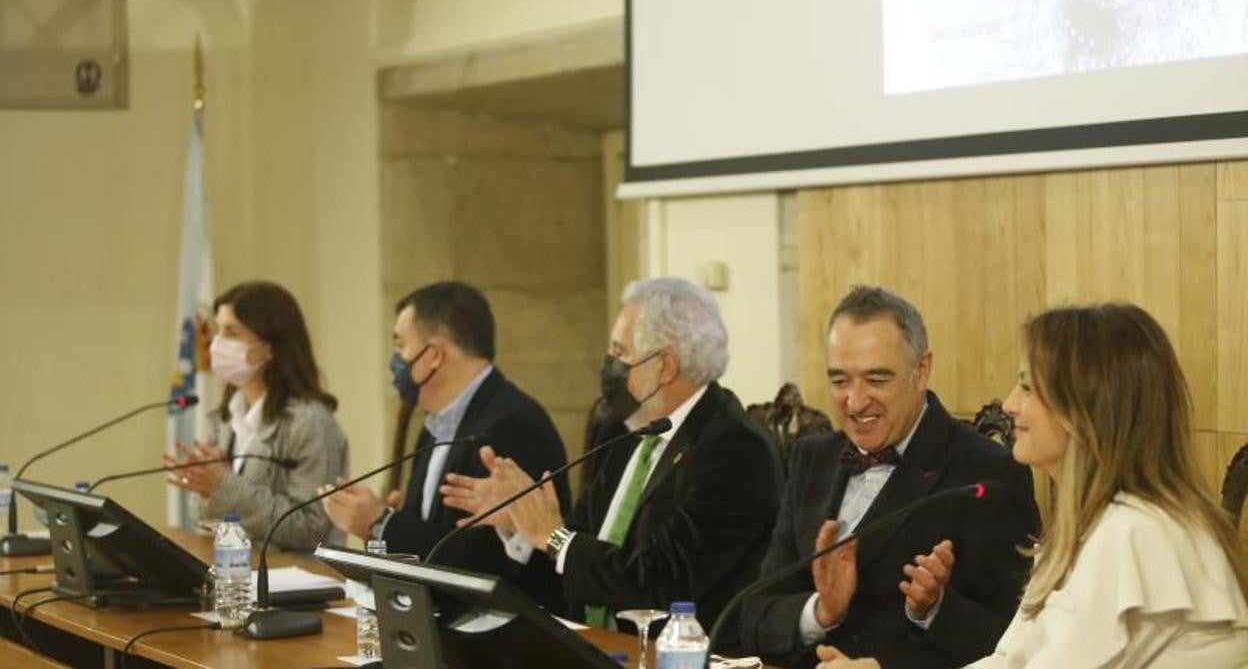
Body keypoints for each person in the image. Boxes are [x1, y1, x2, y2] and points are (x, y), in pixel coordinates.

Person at [815, 303, 1248, 668]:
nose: (1009, 403)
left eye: (1027, 385)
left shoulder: (1135, 533)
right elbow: (1010, 659)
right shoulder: (1100, 525)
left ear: (1086, 407)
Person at [441, 277, 783, 635]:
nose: (608, 364)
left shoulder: (736, 450)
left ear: (665, 366)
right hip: (592, 647)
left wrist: (553, 536)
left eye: (620, 353)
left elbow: (663, 582)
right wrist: (522, 524)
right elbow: (578, 560)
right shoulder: (621, 432)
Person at [739, 286, 1039, 668]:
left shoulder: (989, 472)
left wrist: (933, 608)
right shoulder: (812, 457)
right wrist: (821, 612)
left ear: (921, 370)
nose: (855, 401)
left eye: (876, 380)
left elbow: (1015, 643)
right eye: (840, 381)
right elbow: (752, 616)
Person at [318, 281, 570, 612]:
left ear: (434, 356)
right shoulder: (437, 424)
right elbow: (432, 536)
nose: (396, 360)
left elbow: (482, 562)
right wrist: (384, 525)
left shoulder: (512, 426)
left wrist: (382, 523)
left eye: (400, 346)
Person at [165, 280, 348, 552]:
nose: (217, 343)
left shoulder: (310, 422)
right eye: (219, 330)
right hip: (236, 574)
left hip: (297, 584)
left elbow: (311, 530)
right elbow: (203, 519)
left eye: (232, 332)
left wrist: (223, 485)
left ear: (270, 347)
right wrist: (205, 486)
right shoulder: (225, 417)